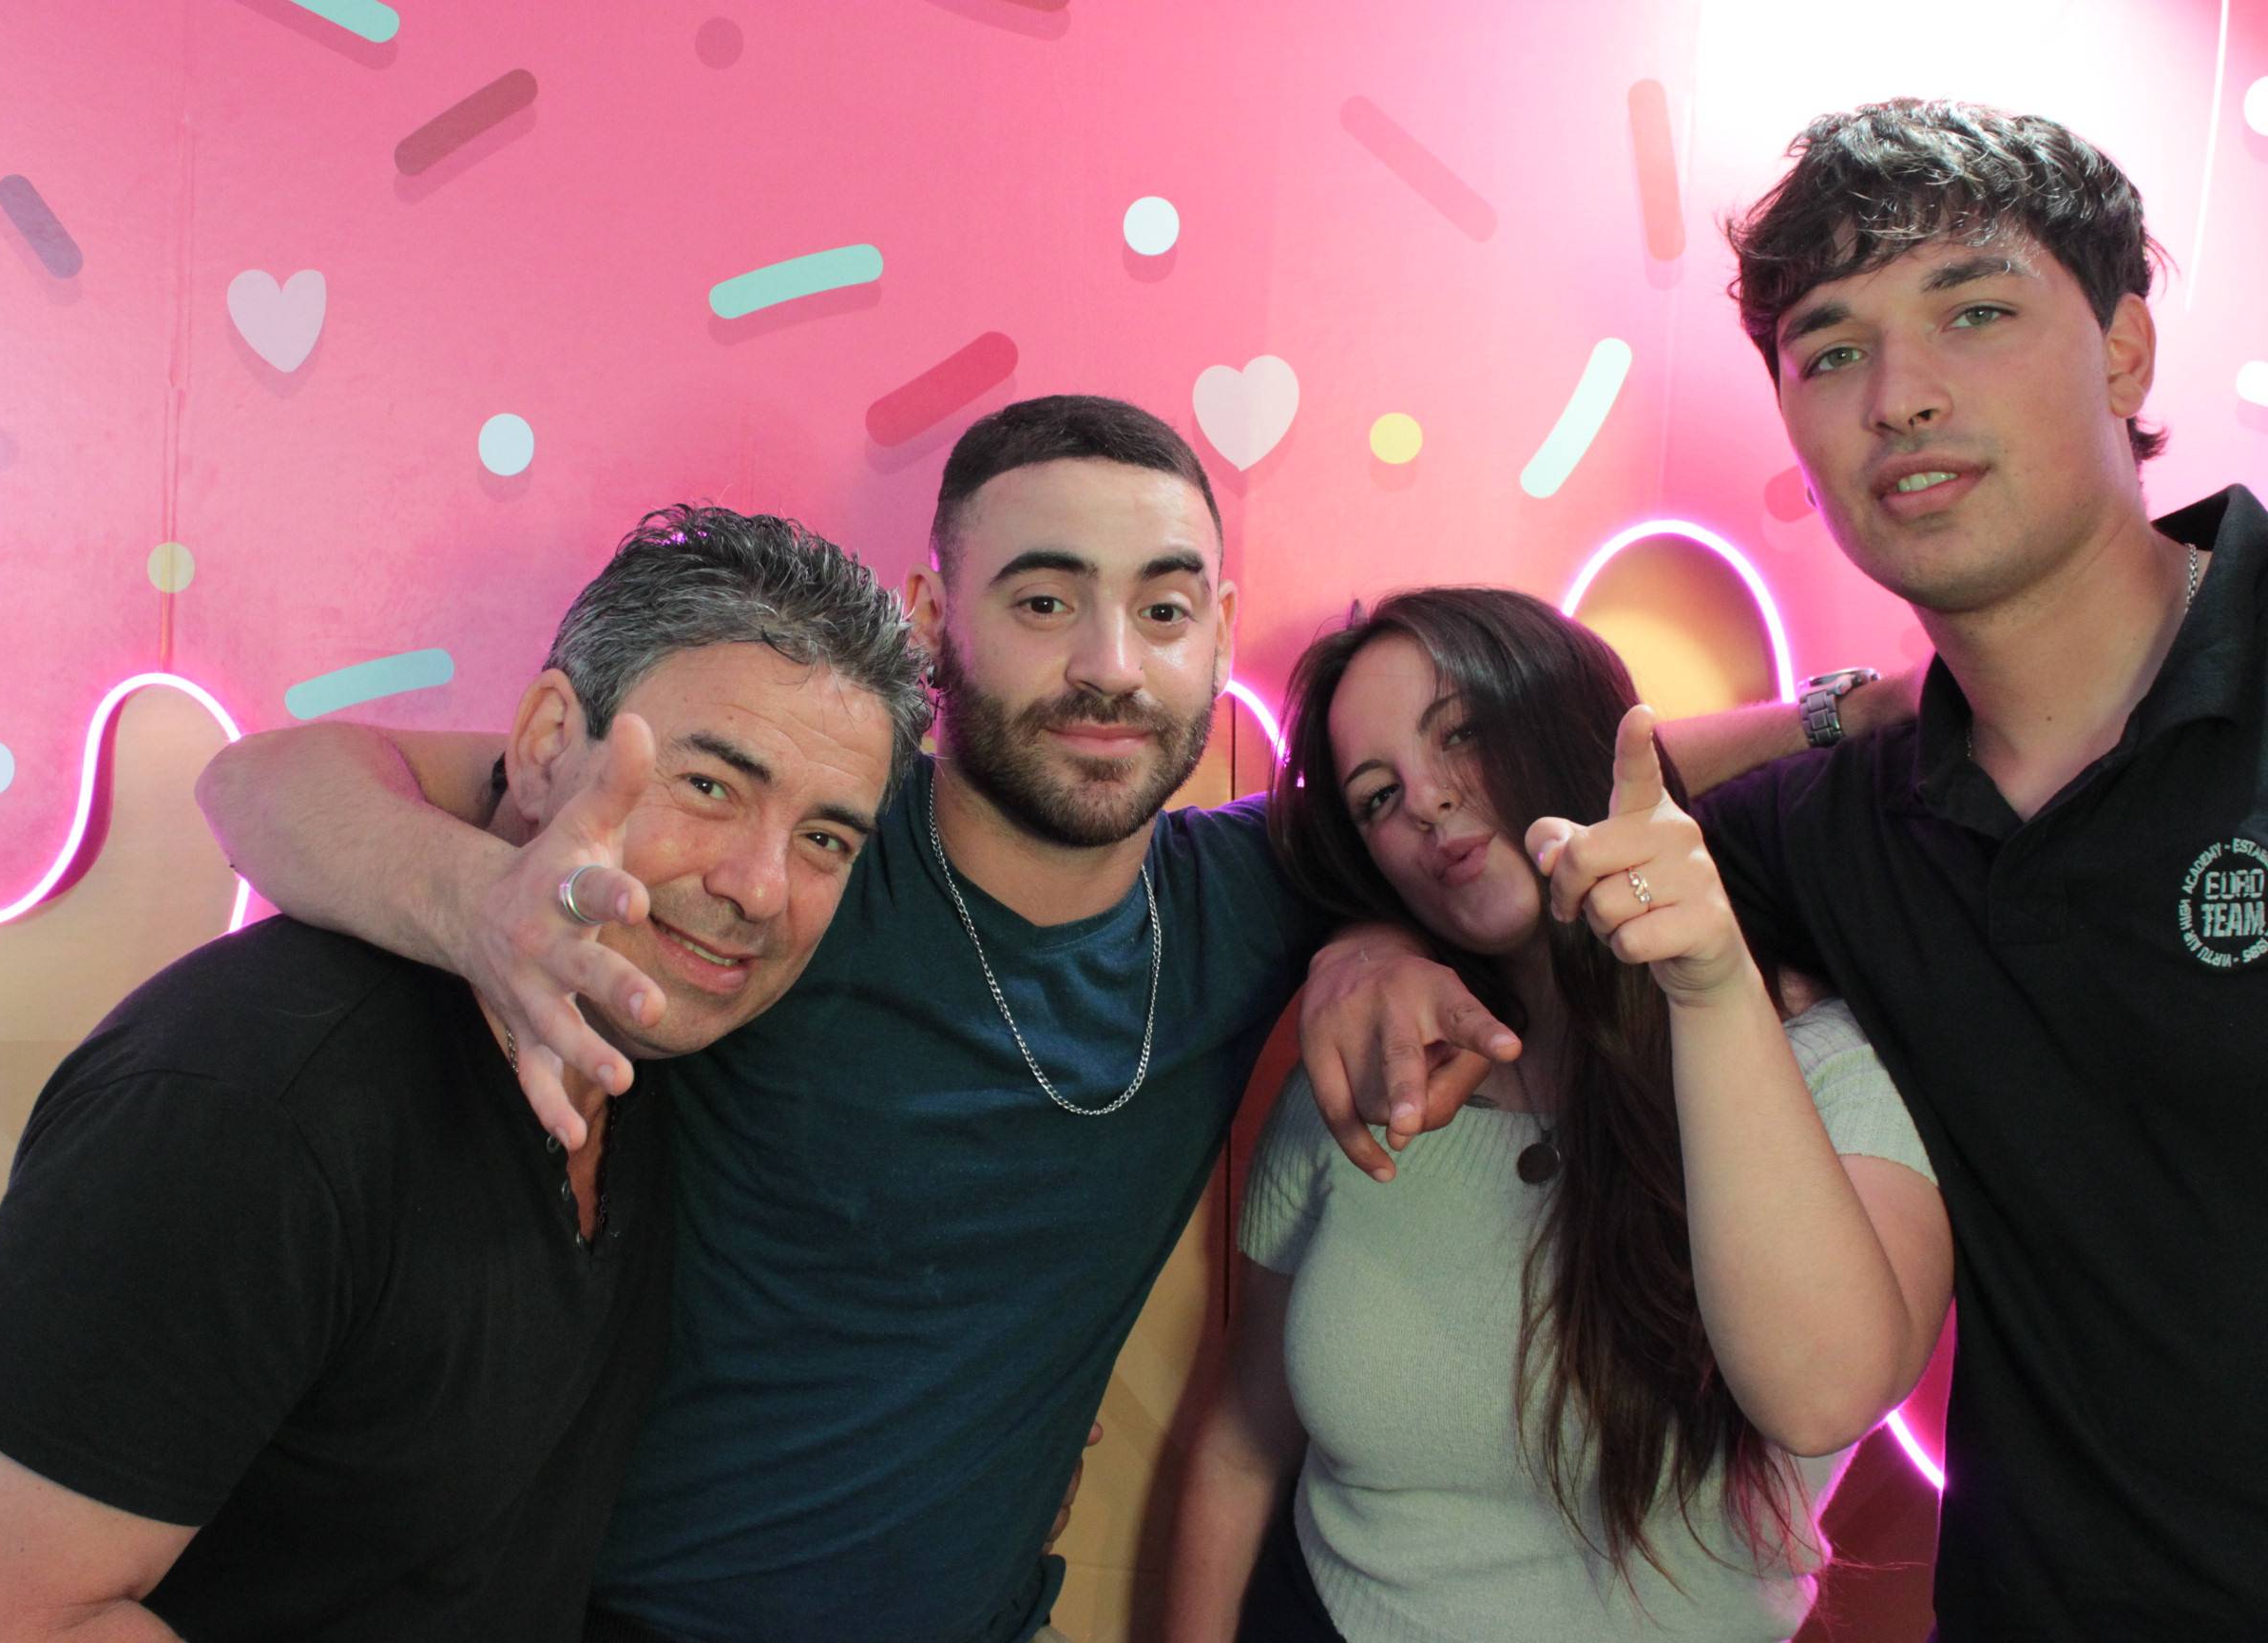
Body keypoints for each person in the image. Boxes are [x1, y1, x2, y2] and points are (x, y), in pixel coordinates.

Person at [1309, 101, 2268, 1636]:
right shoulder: (1834, 831)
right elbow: (1525, 824)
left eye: (1973, 310)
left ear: (2124, 350)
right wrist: (1360, 946)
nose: (1900, 396)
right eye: (1829, 352)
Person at [198, 396, 1336, 1643]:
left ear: (1220, 633)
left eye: (1164, 611)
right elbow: (264, 780)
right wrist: (485, 906)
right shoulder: (795, 845)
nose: (1110, 666)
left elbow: (1457, 858)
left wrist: (1373, 954)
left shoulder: (1255, 895)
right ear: (932, 618)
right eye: (1044, 602)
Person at [0, 504, 929, 1643]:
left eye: (825, 840)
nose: (760, 885)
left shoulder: (647, 1050)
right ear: (547, 746)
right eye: (708, 786)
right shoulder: (255, 1106)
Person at [1165, 588, 1950, 1640]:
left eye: (1462, 733)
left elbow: (1826, 1394)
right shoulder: (1371, 1063)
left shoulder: (1829, 1075)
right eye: (1378, 797)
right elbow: (1240, 1445)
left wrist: (1842, 717)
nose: (1428, 803)